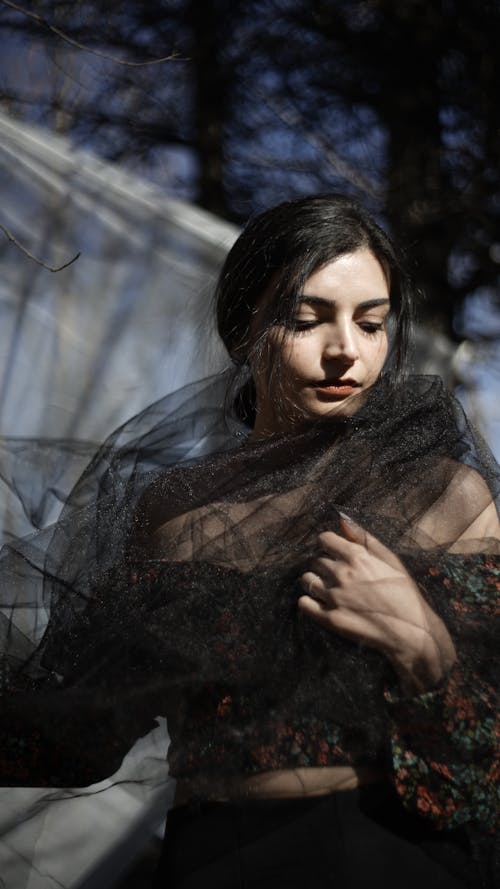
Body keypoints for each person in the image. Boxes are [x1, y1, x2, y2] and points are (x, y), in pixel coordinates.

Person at [1, 194, 499, 888]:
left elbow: (485, 761)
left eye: (371, 322)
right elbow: (80, 730)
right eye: (306, 318)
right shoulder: (175, 512)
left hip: (386, 849)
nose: (345, 350)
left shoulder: (441, 497)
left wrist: (424, 644)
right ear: (244, 329)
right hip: (212, 853)